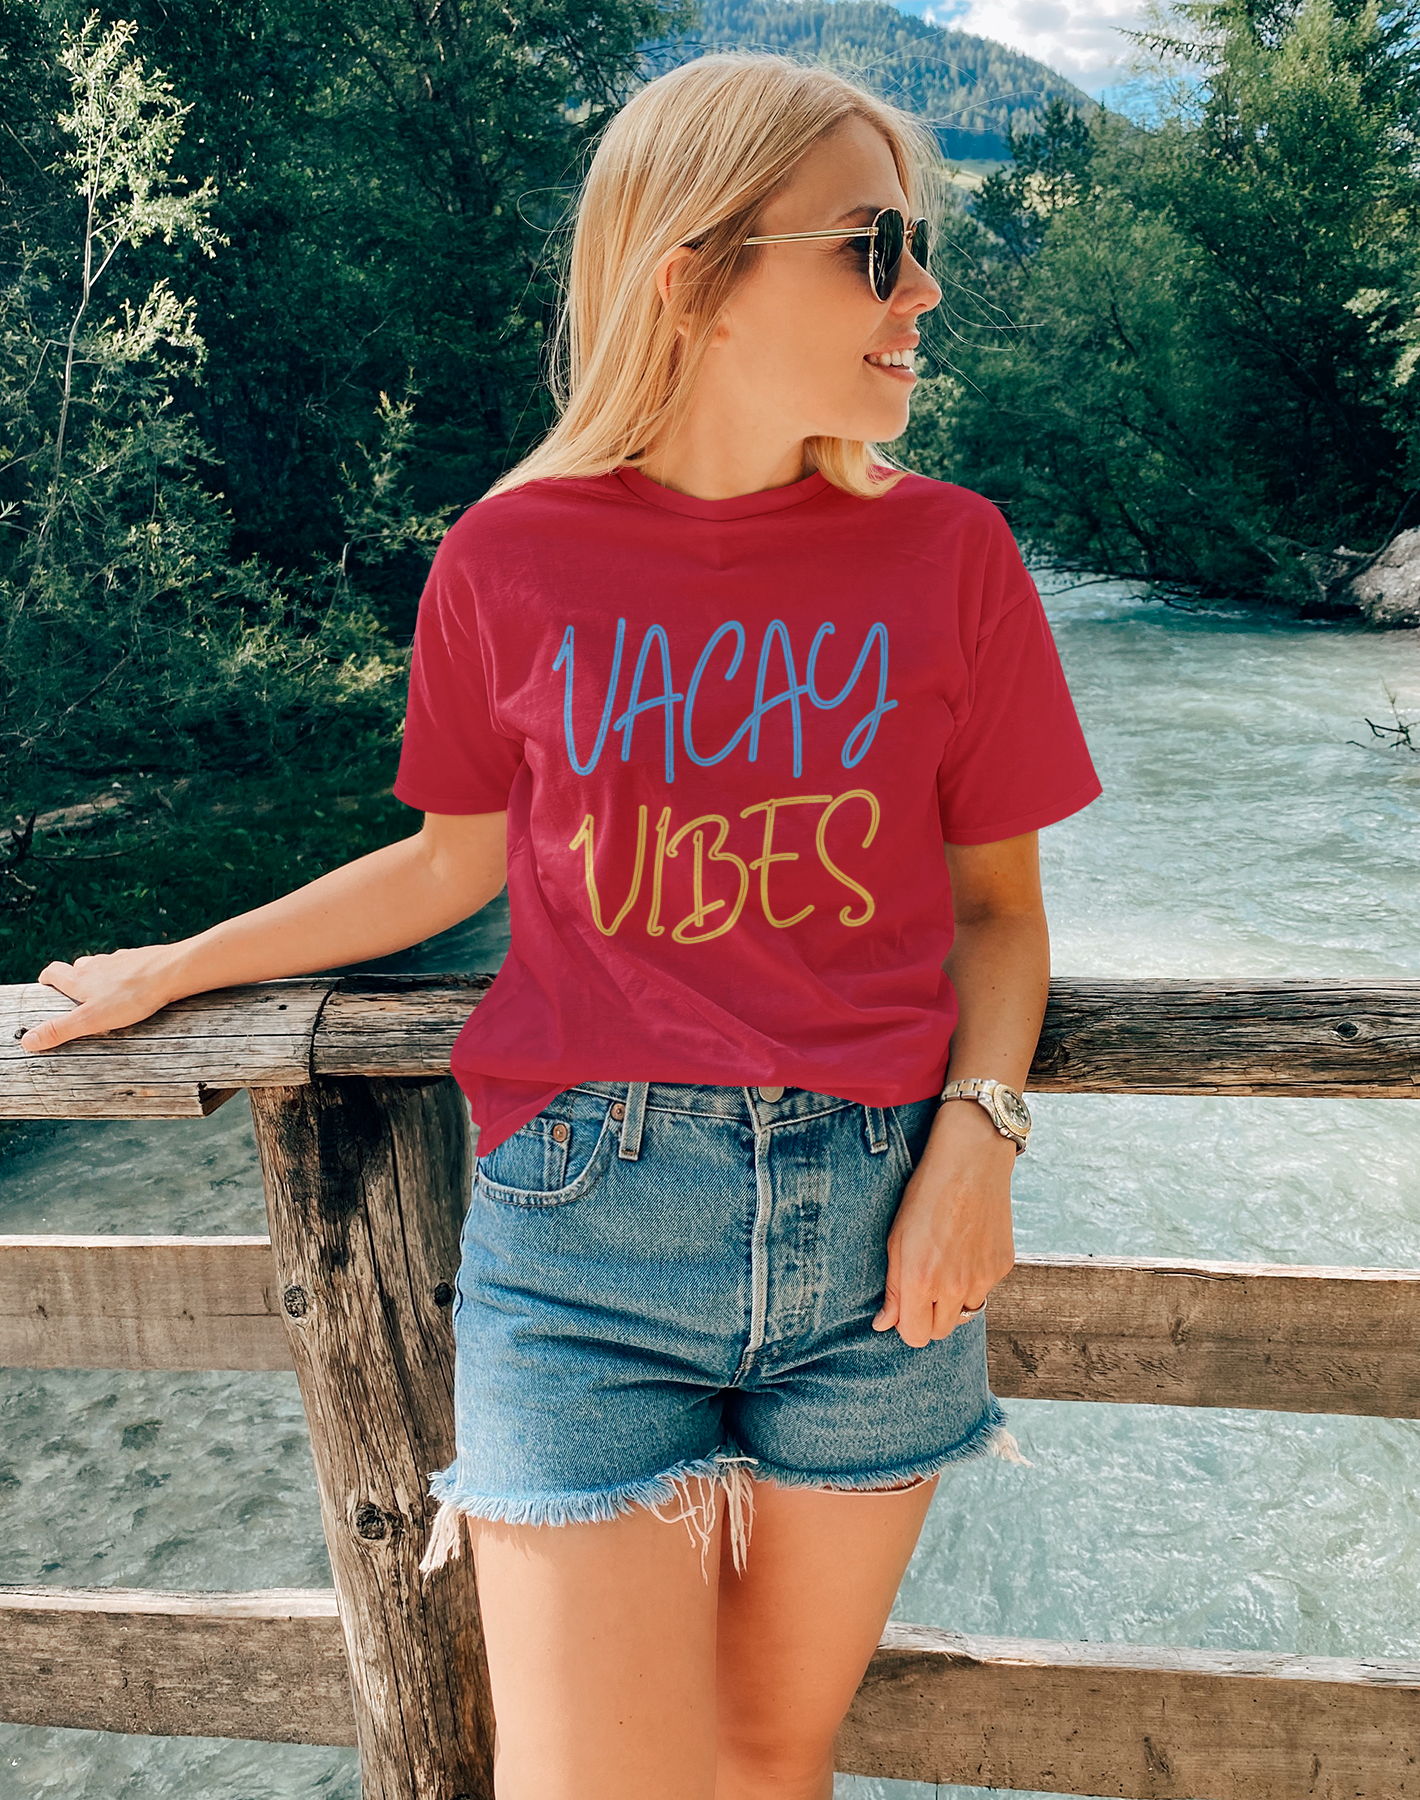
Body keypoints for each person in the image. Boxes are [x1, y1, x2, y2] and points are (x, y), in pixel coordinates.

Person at [22, 51, 1101, 1800]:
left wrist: (981, 1138)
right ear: (694, 272)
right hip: (582, 1237)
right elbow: (452, 864)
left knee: (766, 1763)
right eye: (873, 242)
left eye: (915, 244)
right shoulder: (509, 555)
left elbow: (999, 912)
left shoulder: (953, 555)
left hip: (882, 1227)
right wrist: (180, 965)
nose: (922, 287)